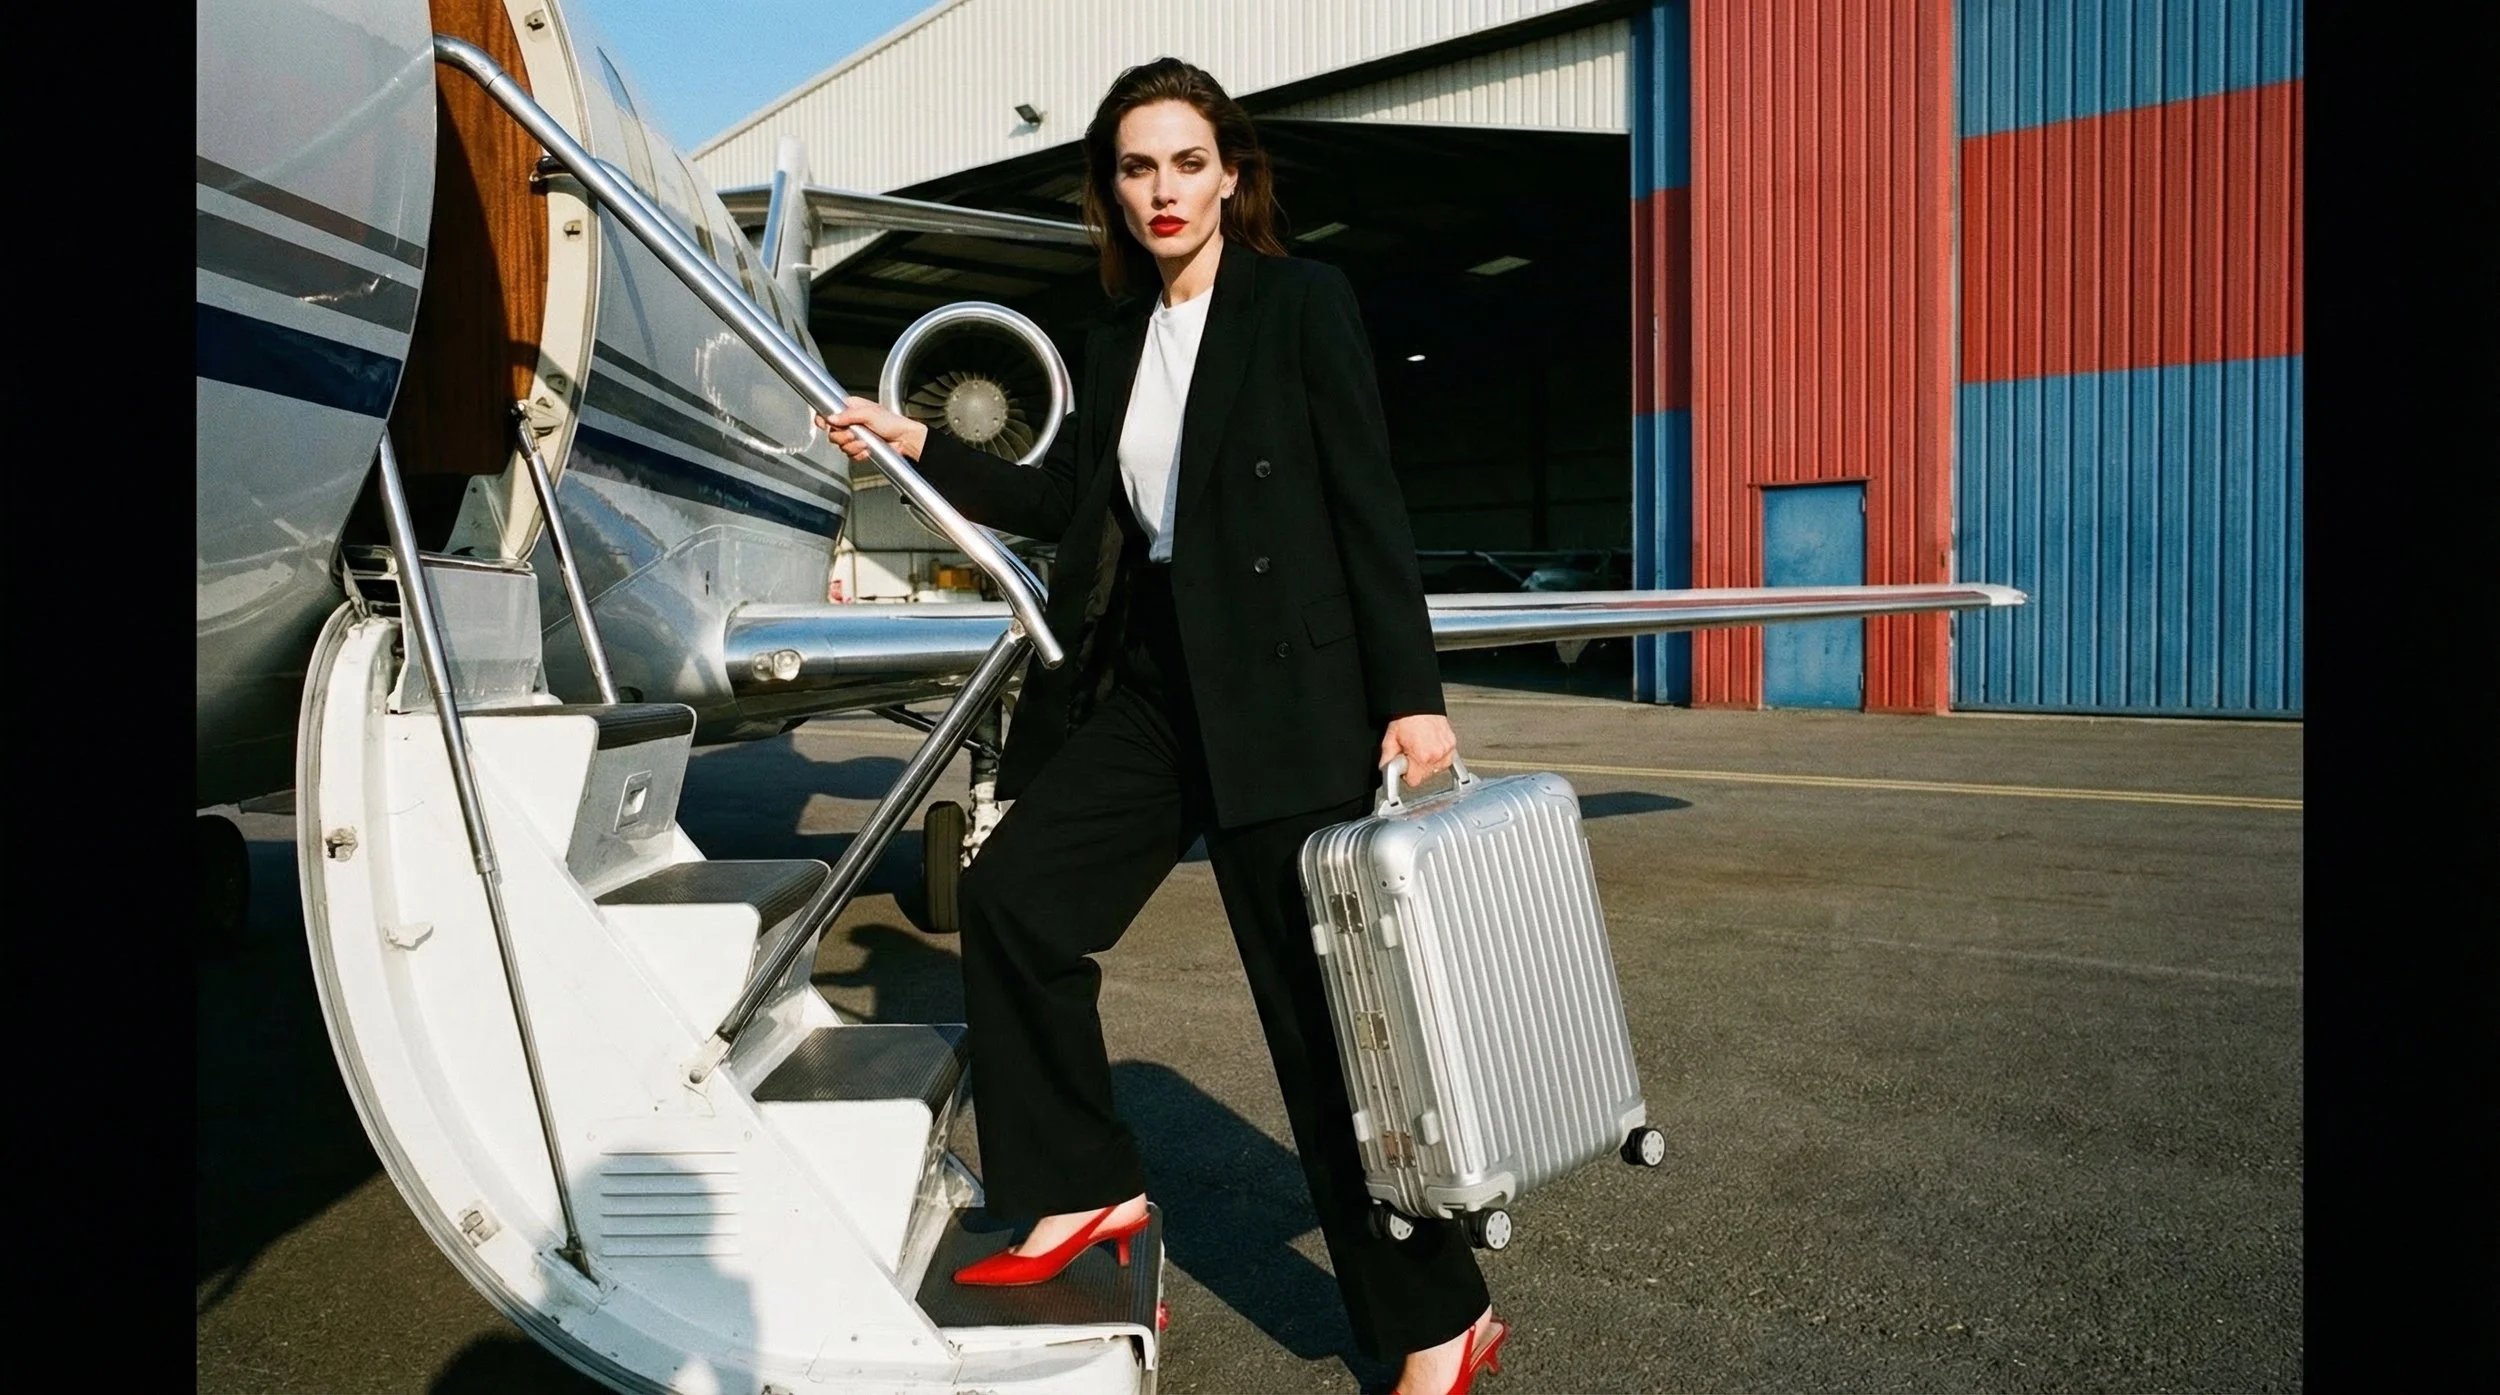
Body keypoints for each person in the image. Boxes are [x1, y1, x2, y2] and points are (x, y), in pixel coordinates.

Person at [817, 57, 1506, 1395]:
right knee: (1015, 899)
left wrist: (1412, 697)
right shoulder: (1121, 337)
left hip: (1290, 702)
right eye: (1137, 169)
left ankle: (1440, 1318)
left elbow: (1367, 500)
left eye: (1186, 162)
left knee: (1323, 1029)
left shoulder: (1301, 303)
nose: (1162, 191)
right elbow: (1080, 496)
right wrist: (913, 441)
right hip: (1154, 688)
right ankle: (1080, 1189)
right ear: (1111, 191)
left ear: (1231, 174)